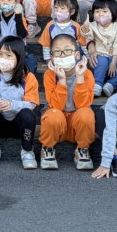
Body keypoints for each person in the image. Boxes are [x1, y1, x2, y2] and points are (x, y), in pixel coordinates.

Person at [39, 32, 95, 170]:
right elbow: (55, 105)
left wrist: (80, 78)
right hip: (58, 124)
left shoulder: (87, 74)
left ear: (76, 54)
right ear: (52, 57)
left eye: (67, 50)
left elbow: (83, 105)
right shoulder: (49, 75)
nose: (63, 55)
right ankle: (47, 148)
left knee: (86, 114)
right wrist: (62, 80)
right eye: (57, 52)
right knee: (52, 114)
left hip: (77, 124)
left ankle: (82, 149)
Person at [0, 36, 39, 169]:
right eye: (0, 54)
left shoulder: (28, 77)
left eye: (8, 55)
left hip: (20, 126)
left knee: (28, 114)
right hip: (0, 124)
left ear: (19, 57)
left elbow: (31, 103)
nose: (3, 58)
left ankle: (27, 151)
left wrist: (12, 104)